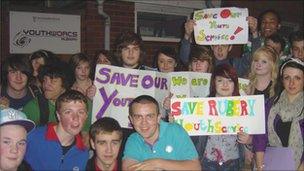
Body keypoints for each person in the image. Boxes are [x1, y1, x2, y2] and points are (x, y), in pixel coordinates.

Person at [192, 64, 251, 170]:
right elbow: (191, 132)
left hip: (233, 161)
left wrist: (249, 140)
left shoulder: (243, 105)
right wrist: (175, 117)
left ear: (235, 84)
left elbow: (256, 138)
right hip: (207, 161)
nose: (225, 84)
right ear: (214, 83)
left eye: (229, 80)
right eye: (220, 80)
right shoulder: (202, 105)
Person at [122, 95, 201, 171]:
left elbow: (196, 167)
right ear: (131, 120)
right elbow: (129, 168)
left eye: (149, 116)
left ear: (158, 118)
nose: (144, 123)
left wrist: (158, 163)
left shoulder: (175, 131)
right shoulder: (133, 140)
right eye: (138, 117)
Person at [253, 58, 304, 170]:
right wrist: (260, 167)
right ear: (282, 80)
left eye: (297, 78)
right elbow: (260, 138)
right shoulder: (271, 105)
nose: (292, 83)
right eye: (287, 78)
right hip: (271, 164)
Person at [25, 90, 89, 170]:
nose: (75, 118)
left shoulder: (83, 153)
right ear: (58, 115)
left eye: (81, 112)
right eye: (68, 112)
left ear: (86, 116)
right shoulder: (33, 138)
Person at [179, 18, 254, 78]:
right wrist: (187, 35)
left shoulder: (235, 64)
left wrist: (253, 33)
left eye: (224, 46)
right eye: (216, 45)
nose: (220, 49)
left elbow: (251, 58)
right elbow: (185, 57)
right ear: (212, 47)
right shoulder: (205, 62)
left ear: (230, 47)